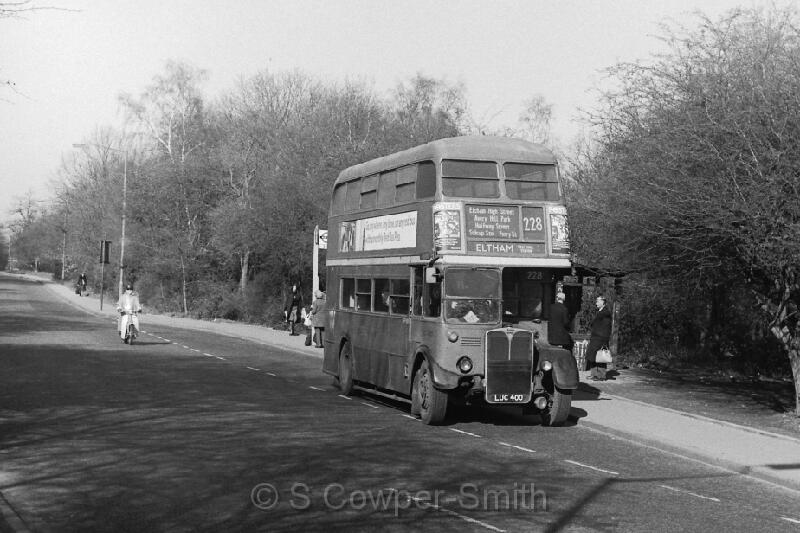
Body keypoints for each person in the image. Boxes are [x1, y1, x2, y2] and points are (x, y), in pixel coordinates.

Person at [586, 295, 613, 381]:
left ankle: (601, 376)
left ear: (603, 302)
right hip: (595, 337)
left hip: (600, 338)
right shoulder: (600, 312)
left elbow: (606, 328)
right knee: (592, 356)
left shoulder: (605, 313)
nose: (596, 303)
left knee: (601, 356)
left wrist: (605, 340)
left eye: (598, 301)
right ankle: (594, 374)